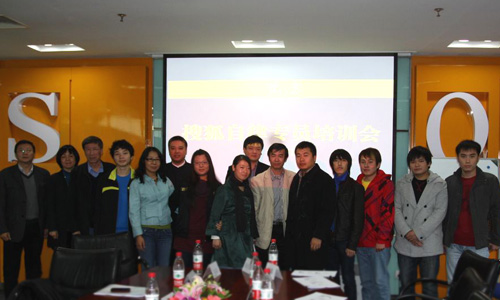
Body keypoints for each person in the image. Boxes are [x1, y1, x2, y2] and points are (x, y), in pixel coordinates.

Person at [443, 140, 500, 282]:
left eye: (472, 156)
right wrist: (444, 239)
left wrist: (496, 238)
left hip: (479, 244)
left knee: (477, 285)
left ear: (478, 157)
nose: (467, 160)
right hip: (453, 244)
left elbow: (496, 212)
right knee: (454, 285)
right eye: (463, 156)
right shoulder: (450, 182)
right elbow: (444, 213)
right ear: (457, 158)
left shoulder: (490, 181)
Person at [394, 146, 447, 297]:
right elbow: (396, 209)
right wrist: (408, 233)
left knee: (429, 288)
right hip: (405, 242)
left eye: (421, 161)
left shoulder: (440, 184)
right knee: (406, 286)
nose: (417, 165)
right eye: (413, 161)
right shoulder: (401, 183)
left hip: (429, 243)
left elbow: (440, 212)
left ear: (429, 163)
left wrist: (417, 234)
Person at [0, 140, 50, 298]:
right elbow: (1, 203)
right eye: (21, 150)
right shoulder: (5, 174)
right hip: (12, 230)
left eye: (28, 150)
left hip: (36, 227)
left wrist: (47, 226)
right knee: (11, 268)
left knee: (34, 267)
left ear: (34, 154)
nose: (25, 153)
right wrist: (2, 229)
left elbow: (47, 203)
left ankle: (32, 296)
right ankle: (10, 296)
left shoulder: (43, 174)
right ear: (16, 154)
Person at [285, 141, 335, 270]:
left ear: (314, 157)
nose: (301, 159)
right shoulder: (297, 177)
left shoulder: (324, 179)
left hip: (313, 239)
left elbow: (327, 211)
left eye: (305, 155)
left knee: (311, 277)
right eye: (298, 155)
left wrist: (318, 235)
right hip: (295, 239)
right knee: (296, 277)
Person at [170, 149, 222, 267]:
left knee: (205, 277)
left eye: (204, 162)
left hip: (206, 240)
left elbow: (221, 213)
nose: (201, 166)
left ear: (209, 164)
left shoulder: (218, 188)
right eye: (197, 163)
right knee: (184, 277)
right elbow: (173, 205)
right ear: (193, 165)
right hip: (185, 239)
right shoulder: (184, 184)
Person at [206, 155, 258, 268]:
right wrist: (215, 236)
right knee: (227, 271)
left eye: (248, 168)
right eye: (242, 167)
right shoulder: (224, 189)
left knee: (245, 271)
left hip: (245, 236)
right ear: (234, 168)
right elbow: (215, 213)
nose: (245, 171)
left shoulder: (248, 188)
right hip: (228, 237)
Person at [356, 147, 394, 300]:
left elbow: (388, 214)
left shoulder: (386, 184)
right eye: (363, 162)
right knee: (366, 283)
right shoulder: (357, 183)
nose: (366, 165)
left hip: (379, 243)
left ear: (378, 164)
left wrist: (382, 239)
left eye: (370, 162)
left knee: (380, 282)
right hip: (361, 242)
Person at [327, 149, 364, 300]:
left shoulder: (356, 187)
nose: (339, 163)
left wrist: (352, 244)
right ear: (332, 164)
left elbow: (358, 218)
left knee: (349, 279)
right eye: (336, 160)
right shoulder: (327, 185)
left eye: (343, 160)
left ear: (348, 163)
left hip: (346, 241)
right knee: (331, 279)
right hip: (329, 241)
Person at [250, 143, 295, 269]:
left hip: (286, 231)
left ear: (285, 158)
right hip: (265, 231)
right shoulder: (257, 180)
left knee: (284, 270)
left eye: (280, 156)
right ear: (269, 157)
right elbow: (255, 209)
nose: (276, 159)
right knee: (265, 269)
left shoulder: (294, 178)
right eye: (273, 155)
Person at [129, 147, 175, 268]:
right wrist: (138, 235)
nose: (154, 163)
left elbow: (171, 197)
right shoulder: (137, 183)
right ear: (144, 161)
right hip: (146, 232)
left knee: (164, 268)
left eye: (157, 159)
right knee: (148, 269)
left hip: (166, 230)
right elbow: (133, 211)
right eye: (150, 159)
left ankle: (163, 288)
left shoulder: (166, 181)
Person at [74, 136, 114, 235]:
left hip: (107, 224)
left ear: (101, 151)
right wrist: (75, 227)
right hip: (85, 225)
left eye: (95, 149)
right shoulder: (77, 172)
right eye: (88, 149)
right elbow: (72, 201)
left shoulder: (112, 170)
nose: (91, 153)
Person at [94, 140, 135, 235]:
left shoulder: (138, 179)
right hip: (108, 232)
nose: (121, 157)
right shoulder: (103, 179)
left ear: (132, 156)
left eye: (125, 153)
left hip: (133, 233)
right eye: (117, 154)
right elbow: (97, 208)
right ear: (113, 157)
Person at [46, 145, 80, 249]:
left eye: (70, 156)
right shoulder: (53, 179)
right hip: (59, 228)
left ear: (76, 158)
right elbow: (49, 205)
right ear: (59, 160)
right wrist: (52, 228)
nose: (67, 159)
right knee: (61, 261)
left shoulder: (83, 177)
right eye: (63, 157)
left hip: (79, 228)